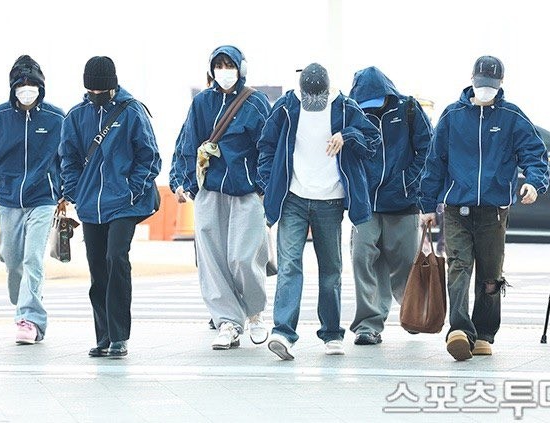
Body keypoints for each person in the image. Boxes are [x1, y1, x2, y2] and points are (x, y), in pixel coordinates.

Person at [419, 55, 549, 361]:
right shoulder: (452, 116)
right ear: (472, 80)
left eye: (491, 84)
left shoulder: (512, 117)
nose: (485, 89)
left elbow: (534, 154)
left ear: (501, 83)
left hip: (494, 211)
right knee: (458, 267)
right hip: (457, 209)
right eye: (481, 84)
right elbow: (434, 162)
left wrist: (534, 183)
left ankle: (484, 333)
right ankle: (459, 330)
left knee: (491, 276)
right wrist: (427, 205)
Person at [257, 63, 380, 360]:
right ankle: (283, 333)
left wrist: (347, 135)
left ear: (328, 89)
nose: (314, 103)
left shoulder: (345, 107)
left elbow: (372, 142)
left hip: (331, 201)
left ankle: (332, 333)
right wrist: (269, 183)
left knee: (331, 270)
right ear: (300, 91)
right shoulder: (286, 107)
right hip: (293, 199)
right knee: (289, 267)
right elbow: (266, 146)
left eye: (319, 98)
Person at [169, 45, 271, 350]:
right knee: (212, 261)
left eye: (230, 65)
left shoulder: (255, 102)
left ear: (241, 68)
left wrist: (262, 186)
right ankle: (228, 322)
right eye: (219, 65)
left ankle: (255, 313)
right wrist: (183, 182)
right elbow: (187, 143)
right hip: (210, 190)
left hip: (246, 191)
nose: (224, 71)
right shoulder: (202, 102)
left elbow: (268, 146)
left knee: (243, 257)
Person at [59, 56, 161, 358]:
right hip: (91, 204)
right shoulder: (76, 116)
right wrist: (75, 192)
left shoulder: (131, 112)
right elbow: (68, 158)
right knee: (97, 268)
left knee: (116, 257)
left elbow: (149, 156)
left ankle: (119, 336)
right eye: (91, 89)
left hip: (124, 204)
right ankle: (103, 336)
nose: (95, 94)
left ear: (112, 85)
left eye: (100, 90)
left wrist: (132, 190)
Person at [0, 55, 64, 345]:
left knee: (32, 259)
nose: (27, 89)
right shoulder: (0, 116)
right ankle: (25, 299)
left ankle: (29, 320)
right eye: (21, 84)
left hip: (43, 198)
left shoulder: (56, 118)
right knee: (13, 262)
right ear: (13, 87)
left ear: (41, 86)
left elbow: (69, 157)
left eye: (32, 84)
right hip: (8, 199)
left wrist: (65, 190)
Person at [347, 66, 433, 345]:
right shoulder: (350, 111)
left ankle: (411, 311)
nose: (371, 108)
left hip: (402, 201)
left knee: (405, 262)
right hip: (365, 204)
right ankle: (368, 325)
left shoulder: (408, 109)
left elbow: (427, 149)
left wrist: (409, 182)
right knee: (363, 259)